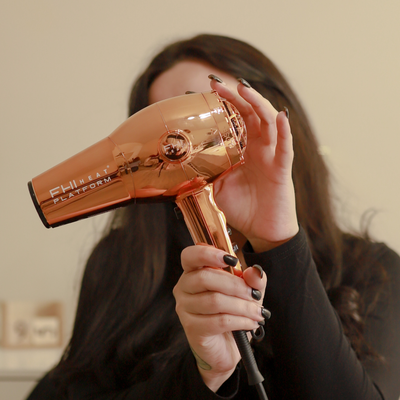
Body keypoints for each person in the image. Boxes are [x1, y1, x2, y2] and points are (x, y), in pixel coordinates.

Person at [27, 34, 400, 400]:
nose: (186, 146)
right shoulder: (123, 265)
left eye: (204, 113)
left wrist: (279, 242)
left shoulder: (372, 270)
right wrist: (205, 375)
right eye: (167, 139)